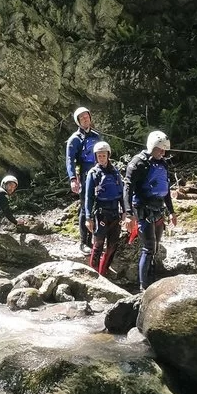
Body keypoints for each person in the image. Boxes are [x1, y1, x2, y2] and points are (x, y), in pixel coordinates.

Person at [123, 130, 177, 290]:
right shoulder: (138, 162)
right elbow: (128, 188)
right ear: (152, 146)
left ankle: (153, 281)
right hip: (143, 210)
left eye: (164, 150)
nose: (163, 152)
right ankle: (143, 287)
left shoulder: (163, 163)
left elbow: (165, 189)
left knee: (156, 246)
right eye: (160, 149)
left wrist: (172, 211)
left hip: (159, 210)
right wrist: (128, 214)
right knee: (148, 247)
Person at [84, 141, 127, 275]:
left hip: (115, 213)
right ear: (96, 157)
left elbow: (122, 194)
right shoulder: (93, 173)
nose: (101, 158)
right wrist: (88, 217)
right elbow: (89, 197)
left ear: (108, 155)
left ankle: (104, 271)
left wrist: (125, 211)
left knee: (113, 245)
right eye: (99, 156)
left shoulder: (115, 173)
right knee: (98, 244)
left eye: (103, 155)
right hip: (101, 214)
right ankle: (94, 271)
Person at [65, 107, 103, 254]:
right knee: (85, 207)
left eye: (87, 117)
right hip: (85, 174)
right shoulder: (75, 139)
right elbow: (70, 160)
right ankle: (84, 242)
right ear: (78, 122)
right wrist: (73, 178)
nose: (86, 120)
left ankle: (96, 238)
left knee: (99, 205)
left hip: (98, 173)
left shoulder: (96, 136)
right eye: (82, 118)